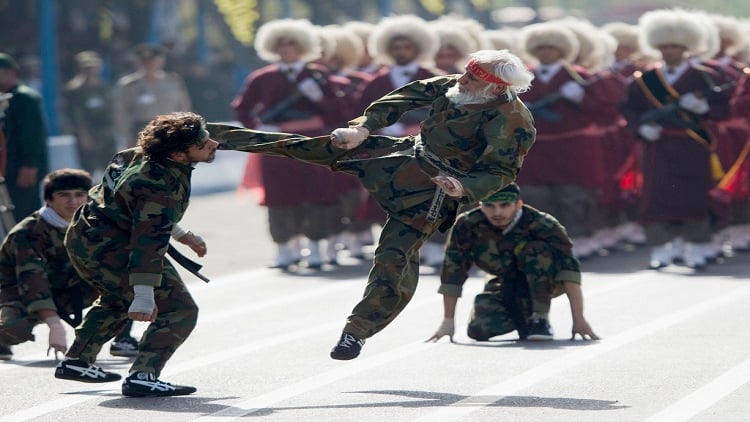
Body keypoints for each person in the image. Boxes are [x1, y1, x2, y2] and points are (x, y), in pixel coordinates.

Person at [209, 49, 537, 360]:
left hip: (435, 190)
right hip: (403, 155)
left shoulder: (513, 120)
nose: (462, 80)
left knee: (393, 258)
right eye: (465, 73)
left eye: (472, 79)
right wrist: (363, 129)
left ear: (494, 88)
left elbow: (501, 171)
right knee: (310, 147)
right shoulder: (454, 84)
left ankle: (357, 331)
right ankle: (206, 136)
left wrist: (463, 187)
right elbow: (402, 98)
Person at [54, 112, 217, 397]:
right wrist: (144, 293)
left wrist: (182, 235)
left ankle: (77, 361)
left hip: (87, 236)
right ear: (179, 155)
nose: (213, 144)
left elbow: (139, 210)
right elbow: (148, 240)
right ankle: (143, 375)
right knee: (179, 309)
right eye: (202, 144)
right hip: (111, 245)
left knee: (118, 298)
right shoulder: (159, 184)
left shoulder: (144, 154)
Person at [232, 19, 350, 270]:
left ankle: (316, 247)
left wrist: (319, 97)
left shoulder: (318, 75)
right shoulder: (262, 77)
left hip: (313, 142)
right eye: (281, 44)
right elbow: (241, 108)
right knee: (279, 195)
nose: (286, 49)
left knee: (317, 192)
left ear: (303, 46)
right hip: (277, 144)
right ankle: (284, 248)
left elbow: (338, 112)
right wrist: (259, 127)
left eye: (292, 43)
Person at [620, 9, 732, 270]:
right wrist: (640, 129)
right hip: (657, 144)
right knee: (656, 196)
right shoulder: (644, 80)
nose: (670, 51)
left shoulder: (705, 76)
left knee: (694, 194)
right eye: (665, 46)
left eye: (675, 46)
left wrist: (703, 108)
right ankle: (661, 247)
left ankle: (696, 245)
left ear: (687, 47)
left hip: (693, 143)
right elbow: (628, 109)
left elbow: (725, 109)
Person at [426, 183, 598, 344]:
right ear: (480, 205)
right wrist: (448, 321)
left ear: (518, 205)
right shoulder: (467, 225)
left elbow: (570, 272)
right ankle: (525, 314)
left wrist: (579, 320)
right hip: (503, 282)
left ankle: (540, 318)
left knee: (535, 250)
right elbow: (453, 271)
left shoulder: (543, 224)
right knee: (479, 330)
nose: (497, 212)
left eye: (504, 205)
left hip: (548, 281)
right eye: (490, 206)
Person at [0, 169, 93, 360]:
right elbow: (32, 280)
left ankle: (123, 340)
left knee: (124, 285)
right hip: (17, 293)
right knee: (14, 328)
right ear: (49, 200)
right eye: (64, 195)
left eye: (79, 195)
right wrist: (55, 325)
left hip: (66, 288)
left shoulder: (90, 225)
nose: (73, 202)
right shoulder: (28, 232)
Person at [113, 44, 192, 150]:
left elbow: (184, 106)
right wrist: (126, 135)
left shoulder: (173, 81)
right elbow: (121, 112)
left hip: (170, 130)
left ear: (161, 62)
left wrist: (185, 130)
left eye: (152, 61)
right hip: (141, 132)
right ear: (137, 63)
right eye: (144, 62)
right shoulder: (128, 85)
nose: (149, 65)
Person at [0, 52, 48, 221]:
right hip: (8, 167)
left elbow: (33, 134)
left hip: (22, 168)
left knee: (25, 215)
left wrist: (30, 163)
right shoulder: (5, 98)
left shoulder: (24, 97)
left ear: (11, 72)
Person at [63, 51, 117, 177]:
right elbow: (75, 115)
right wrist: (83, 134)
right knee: (88, 170)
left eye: (94, 67)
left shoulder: (105, 87)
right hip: (88, 132)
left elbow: (112, 111)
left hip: (106, 132)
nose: (92, 70)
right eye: (87, 67)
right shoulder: (75, 89)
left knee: (111, 168)